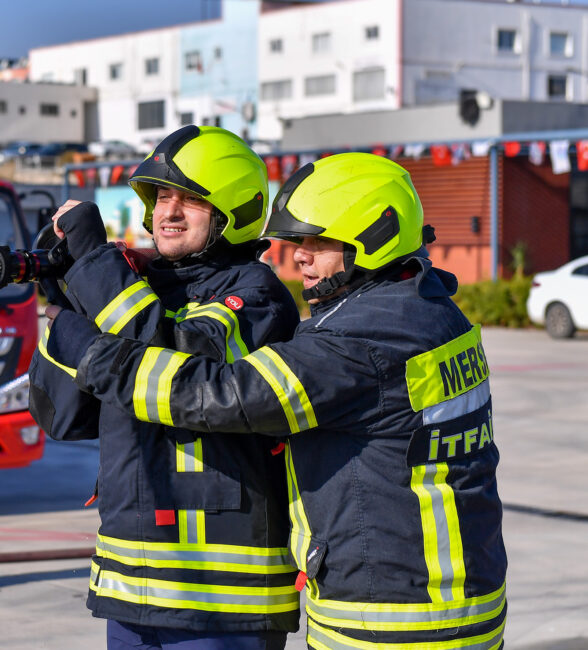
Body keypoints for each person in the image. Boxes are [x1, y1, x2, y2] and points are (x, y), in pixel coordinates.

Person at [44, 153, 507, 649]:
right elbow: (65, 416)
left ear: (375, 237)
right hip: (439, 598)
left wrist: (88, 343)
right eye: (296, 242)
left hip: (392, 616)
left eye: (318, 240)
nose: (299, 257)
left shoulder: (358, 340)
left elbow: (216, 395)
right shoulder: (427, 313)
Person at [30, 125, 302, 648]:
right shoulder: (138, 293)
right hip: (132, 584)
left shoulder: (257, 296)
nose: (167, 212)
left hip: (221, 600)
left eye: (190, 199)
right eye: (160, 196)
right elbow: (63, 418)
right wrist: (66, 305)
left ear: (235, 212)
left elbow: (171, 363)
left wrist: (92, 264)